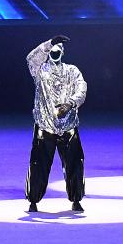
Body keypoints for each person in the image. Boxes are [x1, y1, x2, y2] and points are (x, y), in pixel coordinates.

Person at [25, 35, 87, 213]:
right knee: (38, 165)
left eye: (57, 50)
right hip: (45, 126)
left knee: (75, 164)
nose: (54, 53)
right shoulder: (40, 70)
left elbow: (82, 87)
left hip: (68, 126)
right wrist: (49, 43)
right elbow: (31, 58)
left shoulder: (72, 70)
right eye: (51, 51)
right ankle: (33, 200)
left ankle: (76, 199)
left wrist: (71, 103)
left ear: (63, 52)